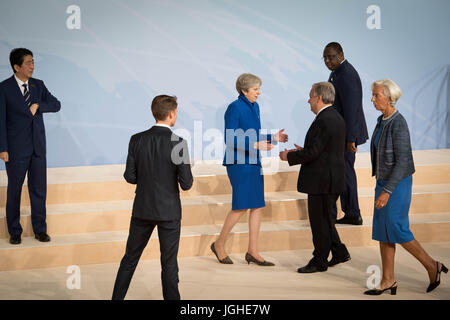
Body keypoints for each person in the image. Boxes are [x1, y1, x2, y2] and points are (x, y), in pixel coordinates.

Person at [364, 79, 447, 295]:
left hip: (397, 183)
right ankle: (388, 280)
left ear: (390, 98)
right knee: (383, 231)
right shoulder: (382, 120)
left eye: (376, 95)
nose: (372, 99)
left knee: (397, 229)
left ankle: (432, 265)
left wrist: (387, 191)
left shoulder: (398, 122)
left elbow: (402, 161)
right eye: (372, 95)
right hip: (383, 180)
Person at [112, 95, 193, 300]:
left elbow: (130, 176)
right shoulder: (179, 143)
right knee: (169, 264)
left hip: (142, 209)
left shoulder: (136, 139)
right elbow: (186, 184)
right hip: (169, 212)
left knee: (129, 260)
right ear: (172, 114)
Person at [210, 73, 288, 266]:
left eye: (258, 89)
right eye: (255, 89)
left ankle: (252, 251)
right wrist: (256, 145)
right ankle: (219, 244)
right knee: (241, 205)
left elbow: (254, 136)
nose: (258, 93)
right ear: (244, 90)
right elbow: (230, 138)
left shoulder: (255, 106)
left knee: (257, 205)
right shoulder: (234, 107)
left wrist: (273, 139)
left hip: (253, 161)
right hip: (238, 163)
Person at [279, 82, 350, 273]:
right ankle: (339, 251)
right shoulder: (335, 117)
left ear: (319, 98)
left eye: (310, 96)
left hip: (322, 180)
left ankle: (319, 261)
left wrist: (289, 156)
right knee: (326, 219)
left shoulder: (324, 119)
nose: (308, 101)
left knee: (319, 222)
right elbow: (324, 150)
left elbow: (314, 153)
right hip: (331, 178)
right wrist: (306, 151)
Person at [0, 48, 61, 245]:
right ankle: (14, 231)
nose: (32, 66)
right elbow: (0, 121)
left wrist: (38, 106)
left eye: (33, 62)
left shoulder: (38, 85)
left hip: (37, 148)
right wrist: (3, 148)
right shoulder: (4, 88)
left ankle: (40, 230)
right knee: (14, 191)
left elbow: (56, 104)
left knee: (38, 190)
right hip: (16, 150)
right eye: (27, 63)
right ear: (16, 67)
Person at [323, 42, 368, 225]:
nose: (327, 61)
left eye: (331, 57)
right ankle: (350, 211)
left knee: (346, 172)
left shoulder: (347, 74)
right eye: (325, 57)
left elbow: (352, 109)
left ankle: (353, 213)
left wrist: (351, 139)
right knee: (343, 172)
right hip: (340, 133)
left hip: (347, 134)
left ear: (341, 54)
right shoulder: (337, 72)